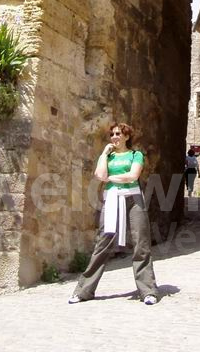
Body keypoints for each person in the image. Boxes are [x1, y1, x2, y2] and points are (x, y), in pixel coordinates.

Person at [68, 121, 159, 305]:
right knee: (103, 243)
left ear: (127, 136)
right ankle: (84, 291)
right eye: (112, 134)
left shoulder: (136, 155)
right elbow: (99, 175)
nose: (115, 137)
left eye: (119, 134)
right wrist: (104, 153)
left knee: (141, 243)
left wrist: (111, 178)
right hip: (112, 199)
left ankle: (148, 290)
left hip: (134, 200)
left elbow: (133, 176)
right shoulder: (108, 157)